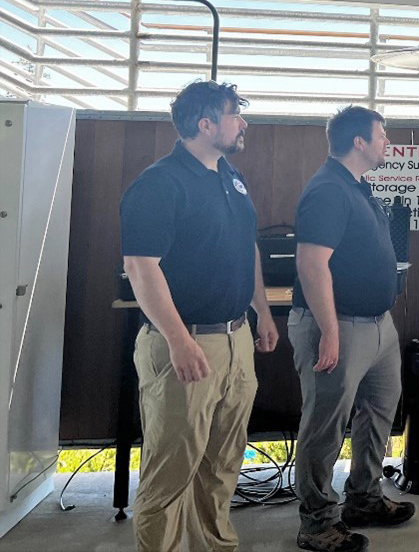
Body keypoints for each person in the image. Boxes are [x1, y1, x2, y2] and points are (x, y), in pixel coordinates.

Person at [120, 80, 279, 552]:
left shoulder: (229, 175)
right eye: (236, 114)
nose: (244, 122)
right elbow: (139, 267)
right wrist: (178, 340)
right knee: (170, 473)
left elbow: (245, 245)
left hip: (236, 340)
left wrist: (262, 311)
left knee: (222, 465)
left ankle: (215, 544)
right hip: (185, 345)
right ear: (205, 124)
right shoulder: (159, 183)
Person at [290, 106, 415, 552]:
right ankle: (318, 522)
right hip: (338, 327)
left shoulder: (358, 188)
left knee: (379, 411)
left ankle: (363, 496)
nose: (388, 143)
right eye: (382, 136)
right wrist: (328, 331)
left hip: (378, 327)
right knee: (326, 423)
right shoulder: (327, 190)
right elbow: (311, 263)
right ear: (358, 142)